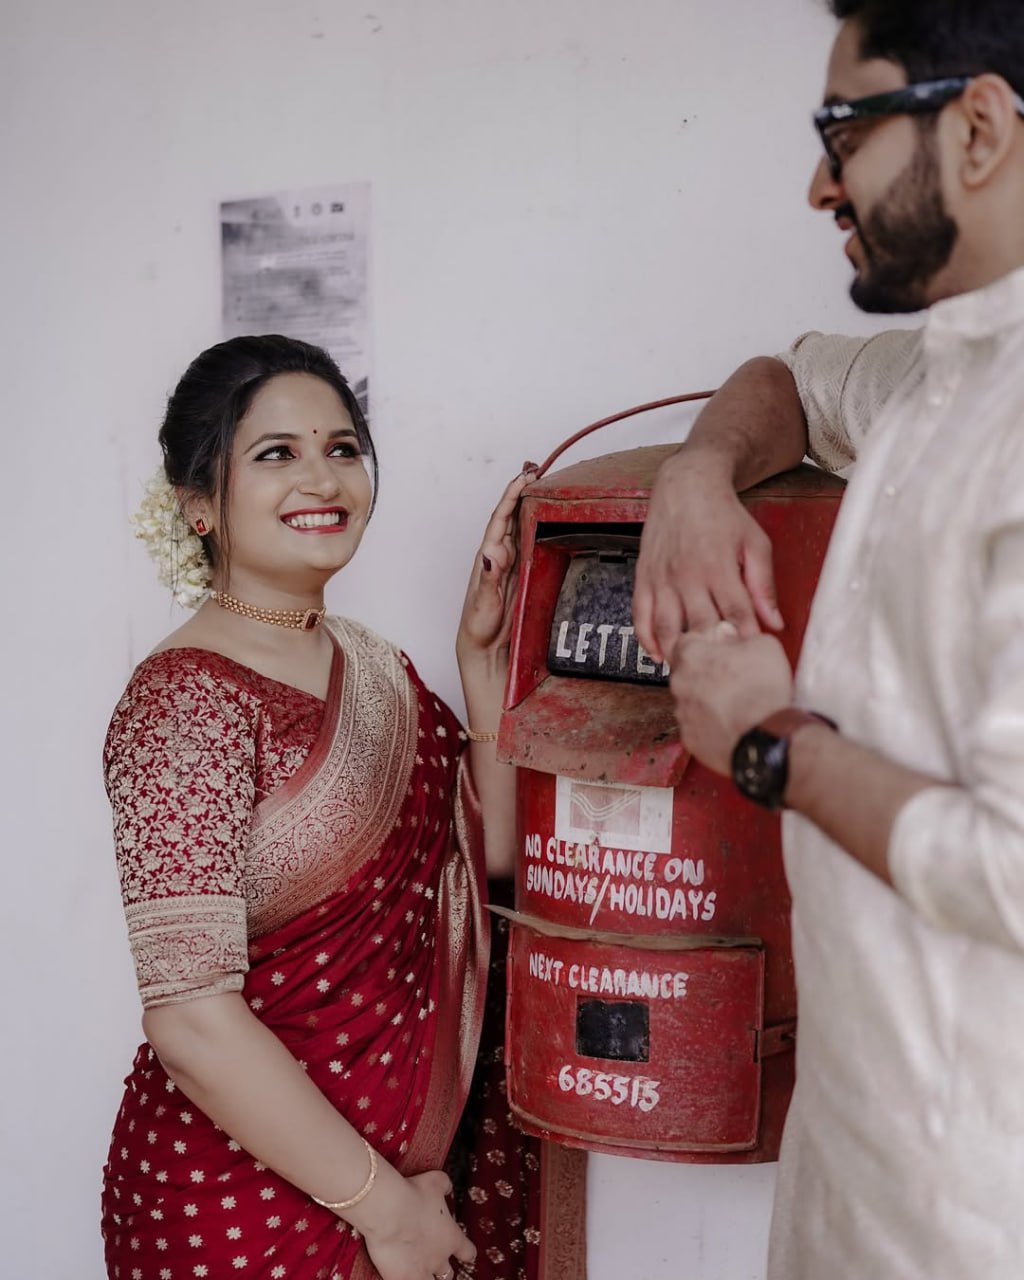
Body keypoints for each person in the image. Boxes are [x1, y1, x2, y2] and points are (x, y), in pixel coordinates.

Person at [634, 2, 1024, 1278]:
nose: (818, 183)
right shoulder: (939, 373)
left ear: (977, 127)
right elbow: (784, 381)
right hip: (849, 1160)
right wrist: (695, 479)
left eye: (843, 129)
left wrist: (766, 740)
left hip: (976, 1206)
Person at [101, 333, 532, 1280]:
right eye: (276, 454)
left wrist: (480, 667)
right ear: (198, 504)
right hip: (241, 1210)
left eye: (342, 448)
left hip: (412, 1182)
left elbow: (489, 866)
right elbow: (190, 1020)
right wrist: (390, 1214)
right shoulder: (185, 702)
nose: (323, 479)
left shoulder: (375, 667)